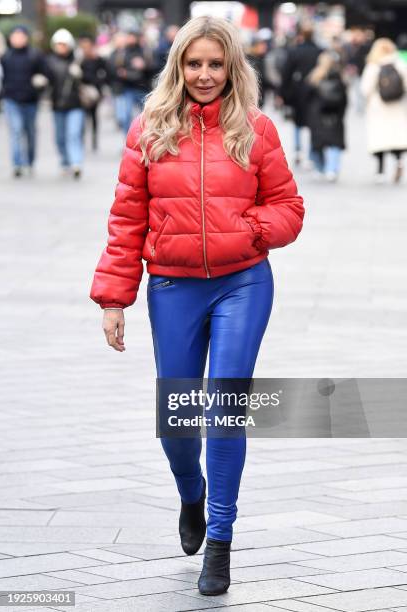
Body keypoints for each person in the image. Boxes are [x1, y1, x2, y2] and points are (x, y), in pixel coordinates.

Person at [90, 15, 304, 596]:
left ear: (232, 68)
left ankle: (220, 539)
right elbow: (126, 219)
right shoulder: (149, 129)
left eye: (215, 64)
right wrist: (114, 297)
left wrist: (252, 227)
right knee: (179, 418)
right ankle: (192, 492)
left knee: (225, 405)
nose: (205, 75)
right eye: (194, 63)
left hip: (243, 282)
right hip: (172, 287)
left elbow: (289, 206)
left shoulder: (257, 129)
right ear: (178, 66)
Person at [0, 25, 47, 177]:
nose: (18, 39)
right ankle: (17, 163)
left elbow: (46, 74)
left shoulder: (35, 55)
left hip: (30, 100)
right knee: (16, 130)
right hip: (11, 99)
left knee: (30, 132)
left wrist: (39, 86)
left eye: (21, 36)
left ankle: (30, 161)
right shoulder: (5, 56)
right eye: (15, 36)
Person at [361, 38, 407, 183]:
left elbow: (365, 89)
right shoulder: (400, 64)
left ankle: (380, 171)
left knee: (380, 140)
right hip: (397, 106)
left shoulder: (373, 66)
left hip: (378, 108)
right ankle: (399, 161)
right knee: (396, 138)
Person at [280, 23, 322, 166]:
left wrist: (282, 93)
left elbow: (286, 74)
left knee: (297, 122)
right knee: (313, 123)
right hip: (315, 92)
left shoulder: (294, 51)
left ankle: (298, 150)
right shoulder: (319, 51)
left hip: (297, 92)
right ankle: (311, 154)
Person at [46, 28, 85, 179]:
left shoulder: (78, 60)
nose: (61, 47)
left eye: (63, 44)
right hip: (57, 105)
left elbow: (91, 79)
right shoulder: (49, 61)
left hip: (76, 105)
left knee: (73, 134)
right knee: (60, 137)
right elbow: (47, 81)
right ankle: (64, 162)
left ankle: (76, 163)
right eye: (58, 44)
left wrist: (80, 75)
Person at [306, 51, 348, 182]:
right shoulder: (339, 78)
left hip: (317, 116)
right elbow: (344, 100)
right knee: (334, 144)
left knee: (317, 144)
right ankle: (332, 169)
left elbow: (306, 98)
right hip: (334, 116)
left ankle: (320, 168)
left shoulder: (313, 77)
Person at [78, 34, 107, 151]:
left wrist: (100, 86)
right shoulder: (80, 60)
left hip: (95, 92)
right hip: (83, 92)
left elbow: (105, 73)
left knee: (94, 116)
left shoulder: (98, 59)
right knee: (83, 117)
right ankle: (82, 139)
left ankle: (94, 139)